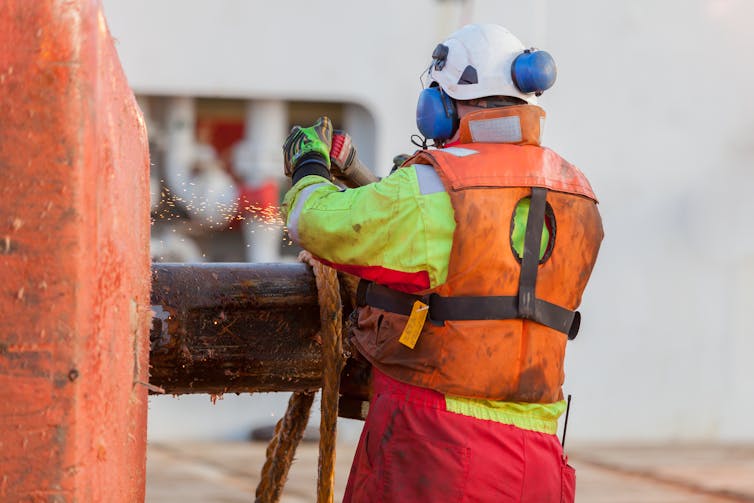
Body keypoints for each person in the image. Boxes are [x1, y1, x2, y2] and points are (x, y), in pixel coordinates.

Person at [281, 24, 603, 503]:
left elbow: (314, 223)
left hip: (438, 452)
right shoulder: (577, 192)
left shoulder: (435, 188)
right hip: (538, 459)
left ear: (441, 103)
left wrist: (308, 164)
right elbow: (479, 267)